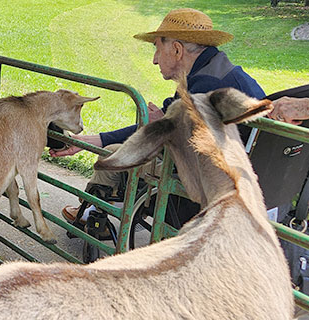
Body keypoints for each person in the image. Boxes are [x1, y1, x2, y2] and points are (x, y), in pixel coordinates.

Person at [51, 8, 266, 226]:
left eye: (157, 49)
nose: (154, 60)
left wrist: (161, 128)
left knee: (111, 155)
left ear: (176, 50)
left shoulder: (203, 86)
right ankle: (94, 208)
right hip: (246, 179)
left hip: (206, 186)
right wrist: (89, 141)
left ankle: (92, 212)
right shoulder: (214, 72)